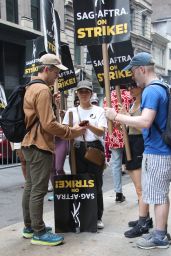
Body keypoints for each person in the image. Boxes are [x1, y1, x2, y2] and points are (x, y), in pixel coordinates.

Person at [105, 52, 171, 249]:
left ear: (142, 69)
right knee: (160, 195)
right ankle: (160, 231)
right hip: (163, 149)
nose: (132, 77)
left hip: (157, 152)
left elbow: (145, 121)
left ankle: (160, 236)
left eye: (133, 72)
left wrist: (116, 116)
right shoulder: (164, 87)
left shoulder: (151, 91)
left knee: (159, 196)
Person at [21, 53, 86, 246]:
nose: (58, 76)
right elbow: (49, 124)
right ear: (47, 69)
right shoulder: (42, 90)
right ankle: (39, 232)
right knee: (39, 190)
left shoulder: (32, 87)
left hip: (30, 143)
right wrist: (71, 131)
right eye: (57, 71)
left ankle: (29, 227)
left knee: (31, 187)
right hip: (39, 144)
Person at [62, 80, 107, 229]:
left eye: (86, 91)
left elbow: (101, 131)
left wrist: (89, 126)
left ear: (91, 93)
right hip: (76, 149)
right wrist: (75, 129)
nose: (84, 94)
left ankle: (98, 216)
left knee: (96, 183)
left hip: (94, 149)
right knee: (79, 183)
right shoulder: (70, 112)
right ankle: (82, 215)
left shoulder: (99, 110)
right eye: (81, 91)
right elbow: (65, 133)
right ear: (77, 93)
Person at [120, 85, 153, 238]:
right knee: (137, 186)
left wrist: (126, 118)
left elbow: (143, 126)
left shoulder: (145, 104)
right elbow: (130, 125)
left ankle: (143, 222)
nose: (130, 89)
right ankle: (145, 217)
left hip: (139, 144)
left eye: (133, 87)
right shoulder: (134, 103)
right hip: (131, 143)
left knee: (141, 188)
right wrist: (125, 116)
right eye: (129, 87)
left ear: (141, 88)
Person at [103, 89, 133, 203]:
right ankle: (139, 191)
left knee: (116, 164)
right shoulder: (129, 95)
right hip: (128, 132)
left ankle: (118, 193)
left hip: (113, 134)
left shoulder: (107, 97)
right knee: (133, 163)